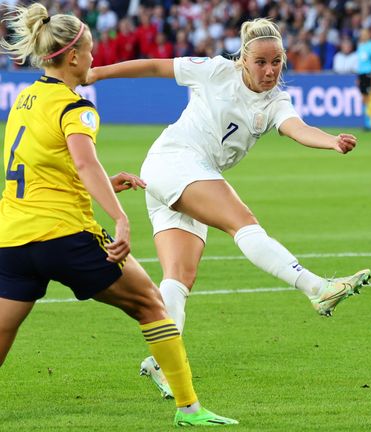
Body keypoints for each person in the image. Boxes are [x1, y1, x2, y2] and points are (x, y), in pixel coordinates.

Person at [87, 18, 371, 399]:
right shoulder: (216, 70)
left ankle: (161, 361)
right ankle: (317, 288)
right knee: (243, 222)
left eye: (276, 62)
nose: (269, 71)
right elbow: (156, 66)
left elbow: (297, 127)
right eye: (261, 62)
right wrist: (96, 74)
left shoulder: (276, 101)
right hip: (176, 160)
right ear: (243, 59)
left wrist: (331, 142)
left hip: (178, 176)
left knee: (179, 277)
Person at [0, 3, 236, 427]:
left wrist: (110, 181)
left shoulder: (24, 99)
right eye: (90, 51)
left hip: (12, 238)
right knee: (151, 305)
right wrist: (120, 216)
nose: (94, 59)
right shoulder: (78, 109)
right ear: (72, 58)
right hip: (65, 236)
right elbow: (84, 164)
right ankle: (189, 409)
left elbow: (47, 169)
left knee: (2, 331)